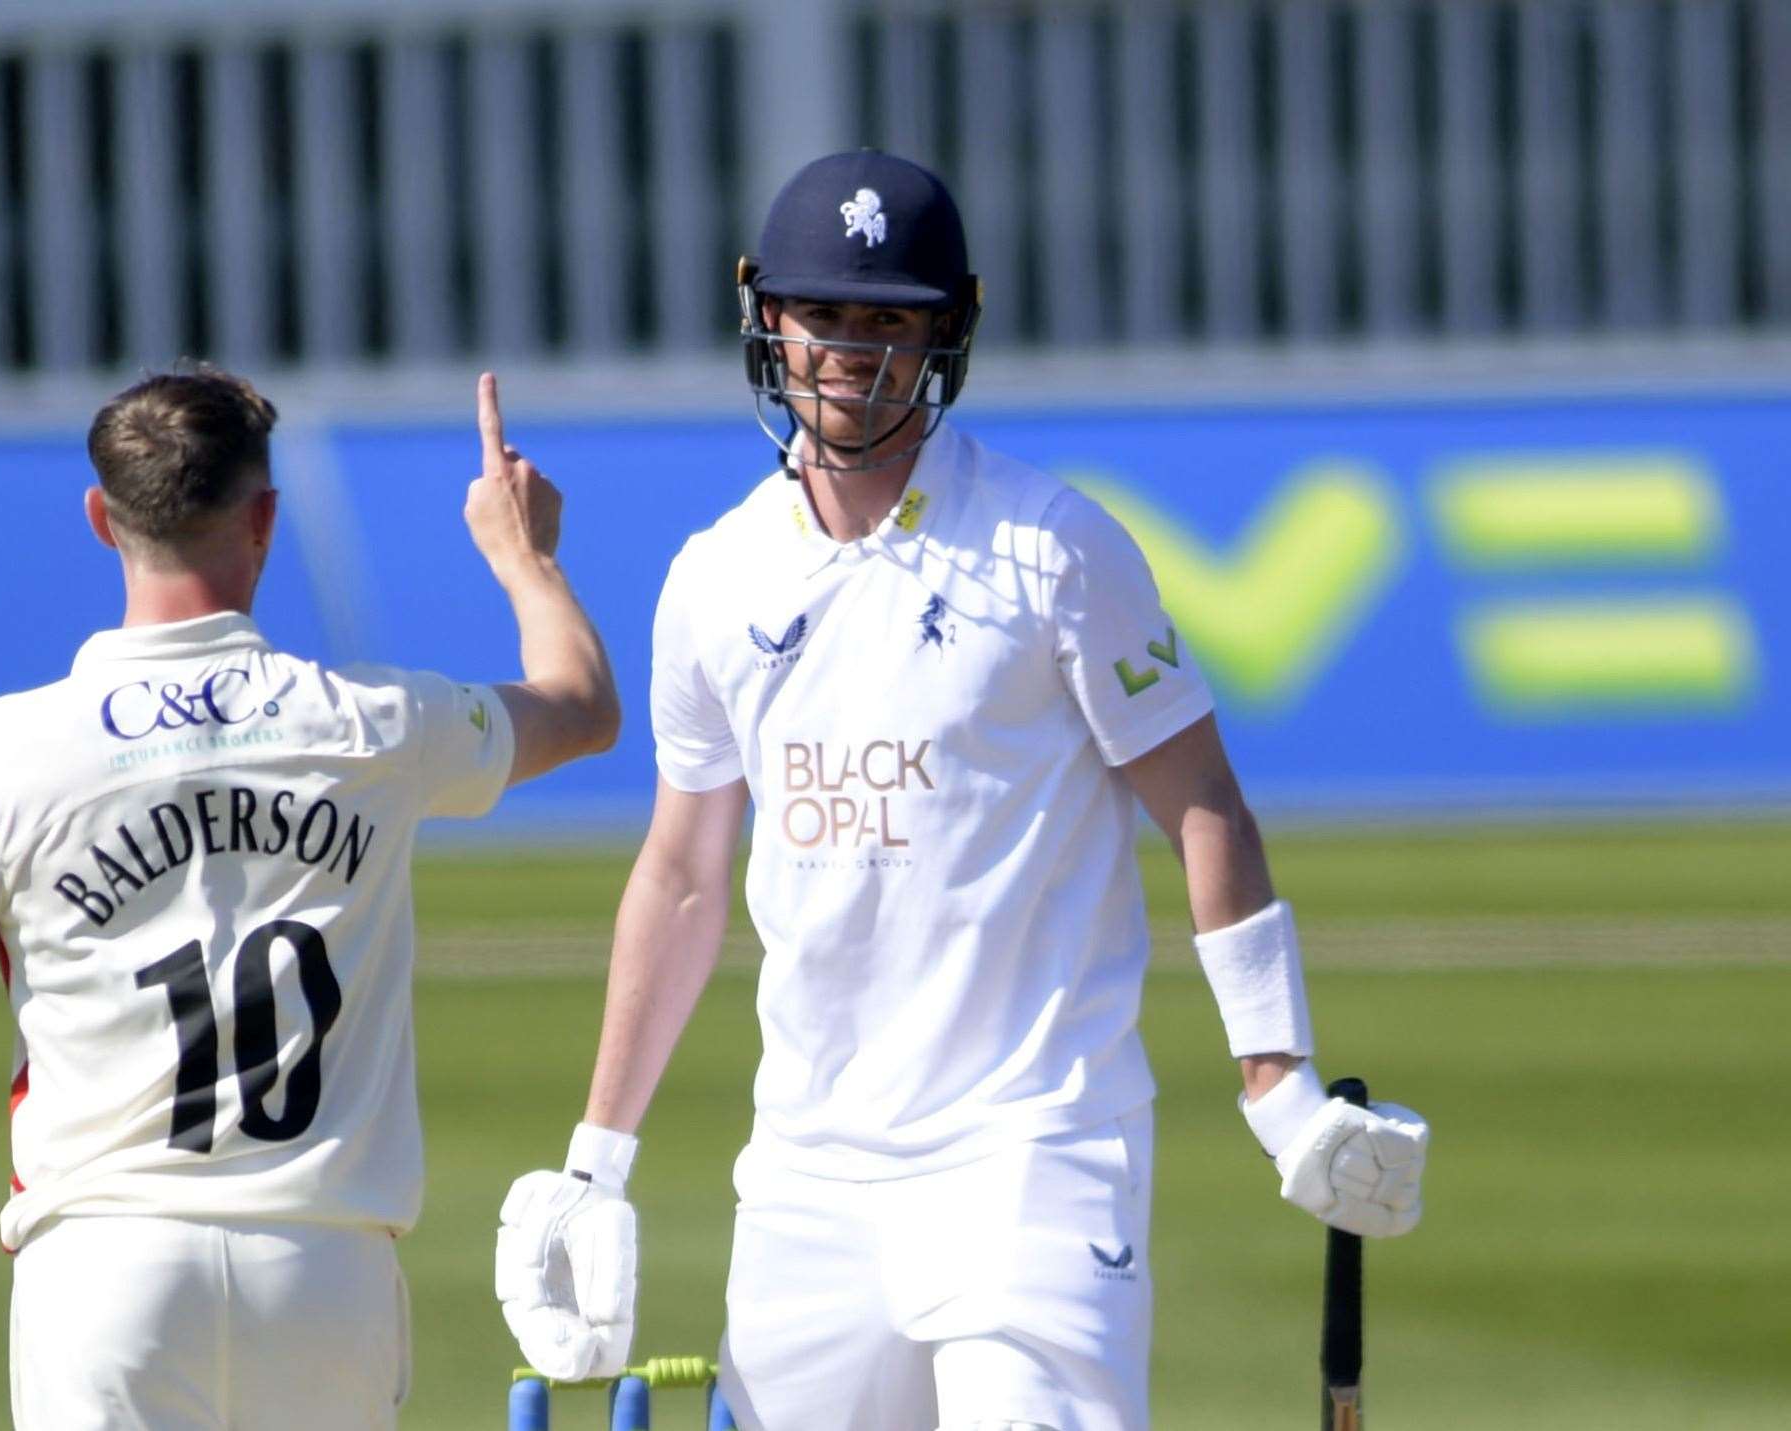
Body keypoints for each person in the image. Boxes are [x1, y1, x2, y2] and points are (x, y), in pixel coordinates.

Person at [496, 150, 1428, 1429]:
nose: (854, 353)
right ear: (767, 315)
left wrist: (1281, 1087)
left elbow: (1205, 803)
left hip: (1033, 1153)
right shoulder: (712, 579)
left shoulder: (1057, 546)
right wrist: (596, 1161)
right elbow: (682, 872)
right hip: (807, 1175)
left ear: (950, 329)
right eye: (826, 315)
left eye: (892, 320)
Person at [0, 366, 617, 1430]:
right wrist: (524, 556)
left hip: (106, 1267)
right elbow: (581, 707)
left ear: (101, 517)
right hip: (327, 1268)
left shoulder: (8, 753)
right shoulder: (374, 723)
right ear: (266, 518)